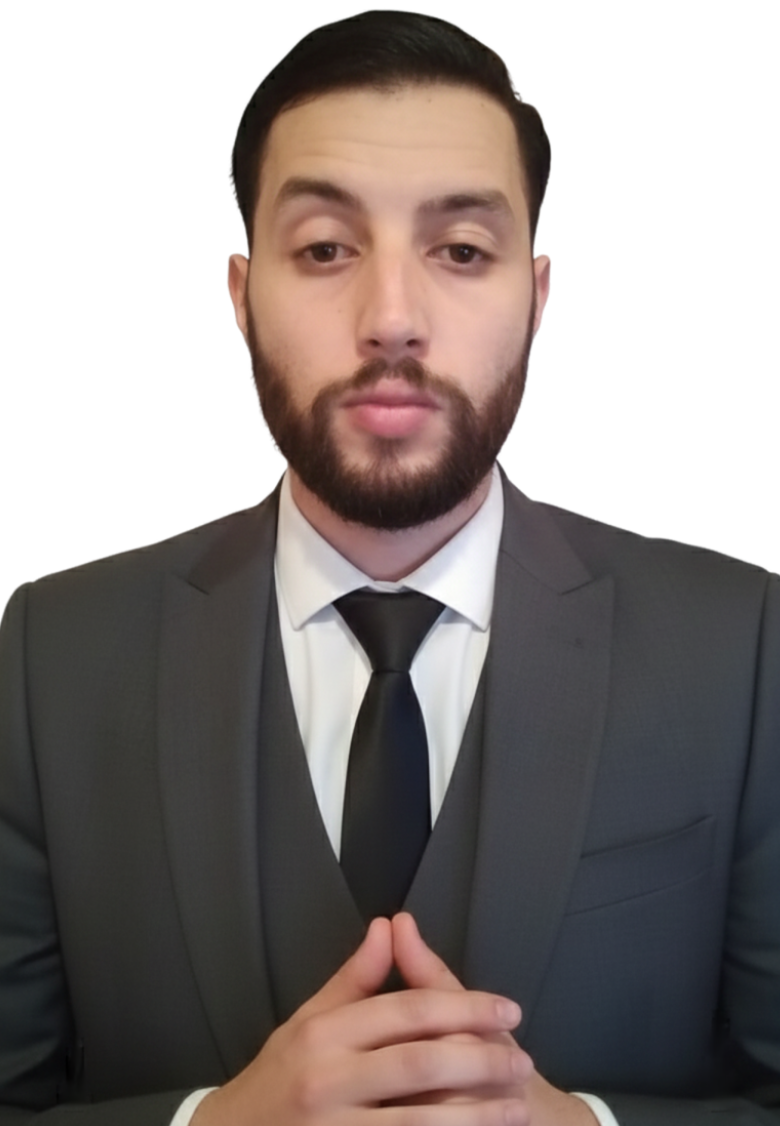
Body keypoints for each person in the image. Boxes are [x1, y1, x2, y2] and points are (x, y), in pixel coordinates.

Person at [1, 10, 778, 1126]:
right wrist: (210, 1123)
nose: (394, 319)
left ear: (537, 299)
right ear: (242, 297)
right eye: (326, 248)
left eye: (460, 250)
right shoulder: (52, 655)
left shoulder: (743, 644)